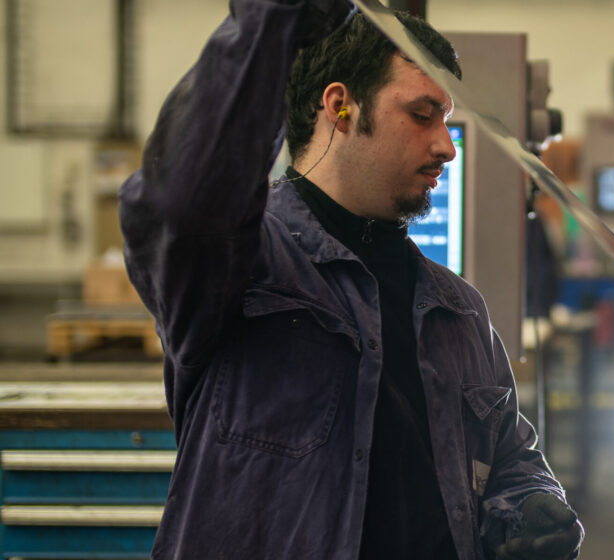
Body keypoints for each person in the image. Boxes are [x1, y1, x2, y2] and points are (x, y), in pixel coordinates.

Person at [119, 1, 582, 558]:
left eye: (446, 119)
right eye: (421, 114)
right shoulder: (244, 268)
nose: (447, 147)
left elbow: (507, 457)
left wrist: (529, 502)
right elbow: (181, 202)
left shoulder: (458, 310)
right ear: (340, 107)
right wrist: (271, 25)